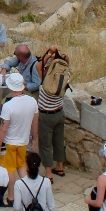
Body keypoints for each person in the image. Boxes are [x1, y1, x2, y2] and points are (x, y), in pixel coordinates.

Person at [0, 71, 39, 205]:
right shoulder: (32, 101)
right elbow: (35, 122)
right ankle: (30, 193)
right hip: (23, 140)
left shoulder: (8, 106)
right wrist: (34, 139)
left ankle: (11, 197)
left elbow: (3, 128)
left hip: (9, 142)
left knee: (10, 170)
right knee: (21, 166)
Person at [37, 46, 68, 181]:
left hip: (46, 115)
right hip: (59, 113)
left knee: (45, 145)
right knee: (58, 141)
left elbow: (38, 66)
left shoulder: (47, 80)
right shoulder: (66, 77)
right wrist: (62, 56)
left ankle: (49, 174)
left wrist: (49, 53)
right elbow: (67, 62)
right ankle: (60, 167)